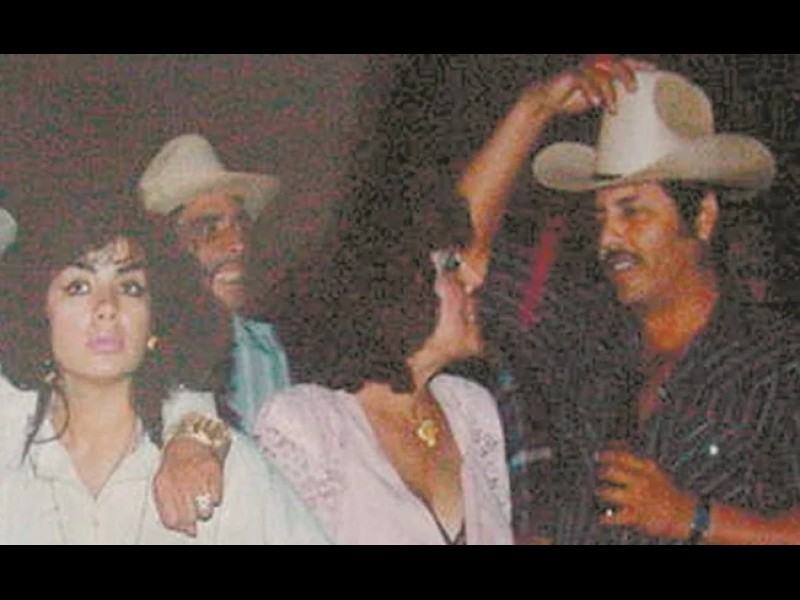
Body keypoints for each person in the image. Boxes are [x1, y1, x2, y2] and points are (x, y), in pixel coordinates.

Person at [526, 60, 800, 544]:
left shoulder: (778, 362)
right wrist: (534, 107)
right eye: (601, 217)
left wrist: (691, 518)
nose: (608, 239)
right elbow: (459, 261)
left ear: (703, 217)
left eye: (632, 212)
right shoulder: (586, 342)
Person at [0, 194, 329, 544]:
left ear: (158, 317)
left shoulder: (218, 469)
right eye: (78, 287)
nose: (107, 306)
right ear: (37, 312)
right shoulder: (13, 453)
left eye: (130, 287)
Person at [138, 133, 290, 435]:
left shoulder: (269, 349)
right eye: (209, 229)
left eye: (241, 225)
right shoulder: (130, 346)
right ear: (166, 247)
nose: (238, 244)